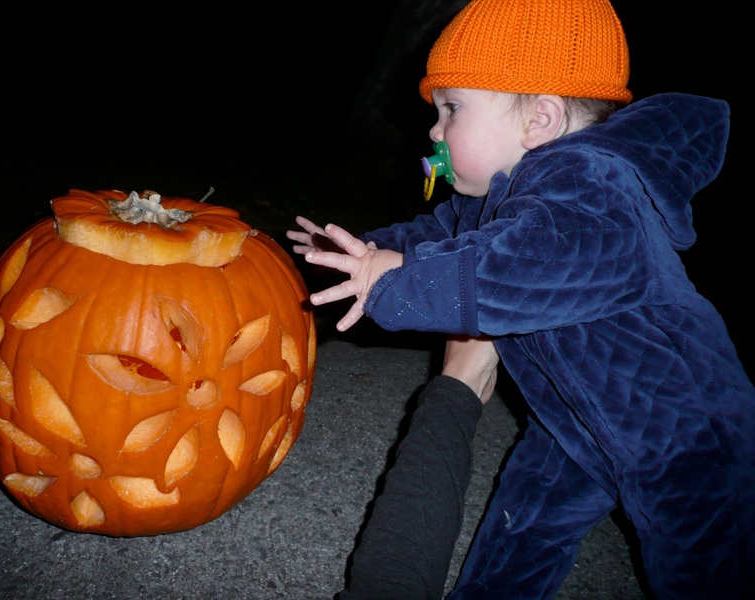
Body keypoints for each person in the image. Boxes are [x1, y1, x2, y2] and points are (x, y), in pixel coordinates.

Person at [287, 0, 755, 597]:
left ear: (539, 120)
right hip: (571, 421)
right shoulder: (497, 197)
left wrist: (393, 283)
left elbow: (510, 273)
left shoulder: (594, 185)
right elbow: (440, 235)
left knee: (705, 569)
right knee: (522, 527)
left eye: (452, 108)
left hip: (685, 435)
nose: (433, 131)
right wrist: (359, 251)